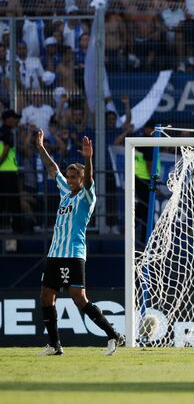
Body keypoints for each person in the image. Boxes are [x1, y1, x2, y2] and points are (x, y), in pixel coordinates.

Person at [35, 129, 125, 356]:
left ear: (82, 179)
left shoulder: (87, 196)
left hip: (73, 253)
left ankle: (113, 335)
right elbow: (52, 169)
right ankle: (55, 345)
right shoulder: (66, 192)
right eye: (69, 176)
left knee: (78, 297)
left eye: (74, 176)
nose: (70, 179)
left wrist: (88, 158)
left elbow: (90, 179)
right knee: (46, 295)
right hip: (55, 253)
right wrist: (41, 147)